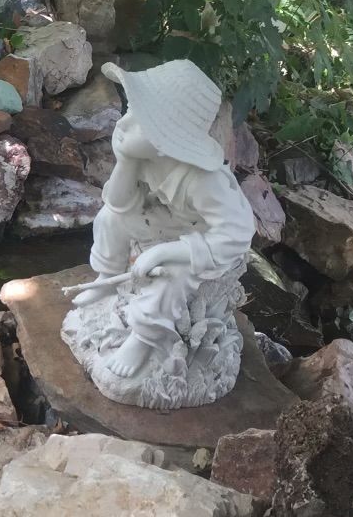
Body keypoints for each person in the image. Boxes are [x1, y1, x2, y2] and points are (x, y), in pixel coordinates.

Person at [69, 60, 256, 380]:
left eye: (139, 118)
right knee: (111, 218)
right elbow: (118, 201)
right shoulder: (145, 156)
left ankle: (144, 337)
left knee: (172, 272)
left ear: (166, 135)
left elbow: (238, 233)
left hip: (210, 242)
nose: (125, 123)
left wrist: (166, 252)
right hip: (169, 222)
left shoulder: (202, 180)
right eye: (129, 111)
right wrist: (126, 160)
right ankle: (106, 279)